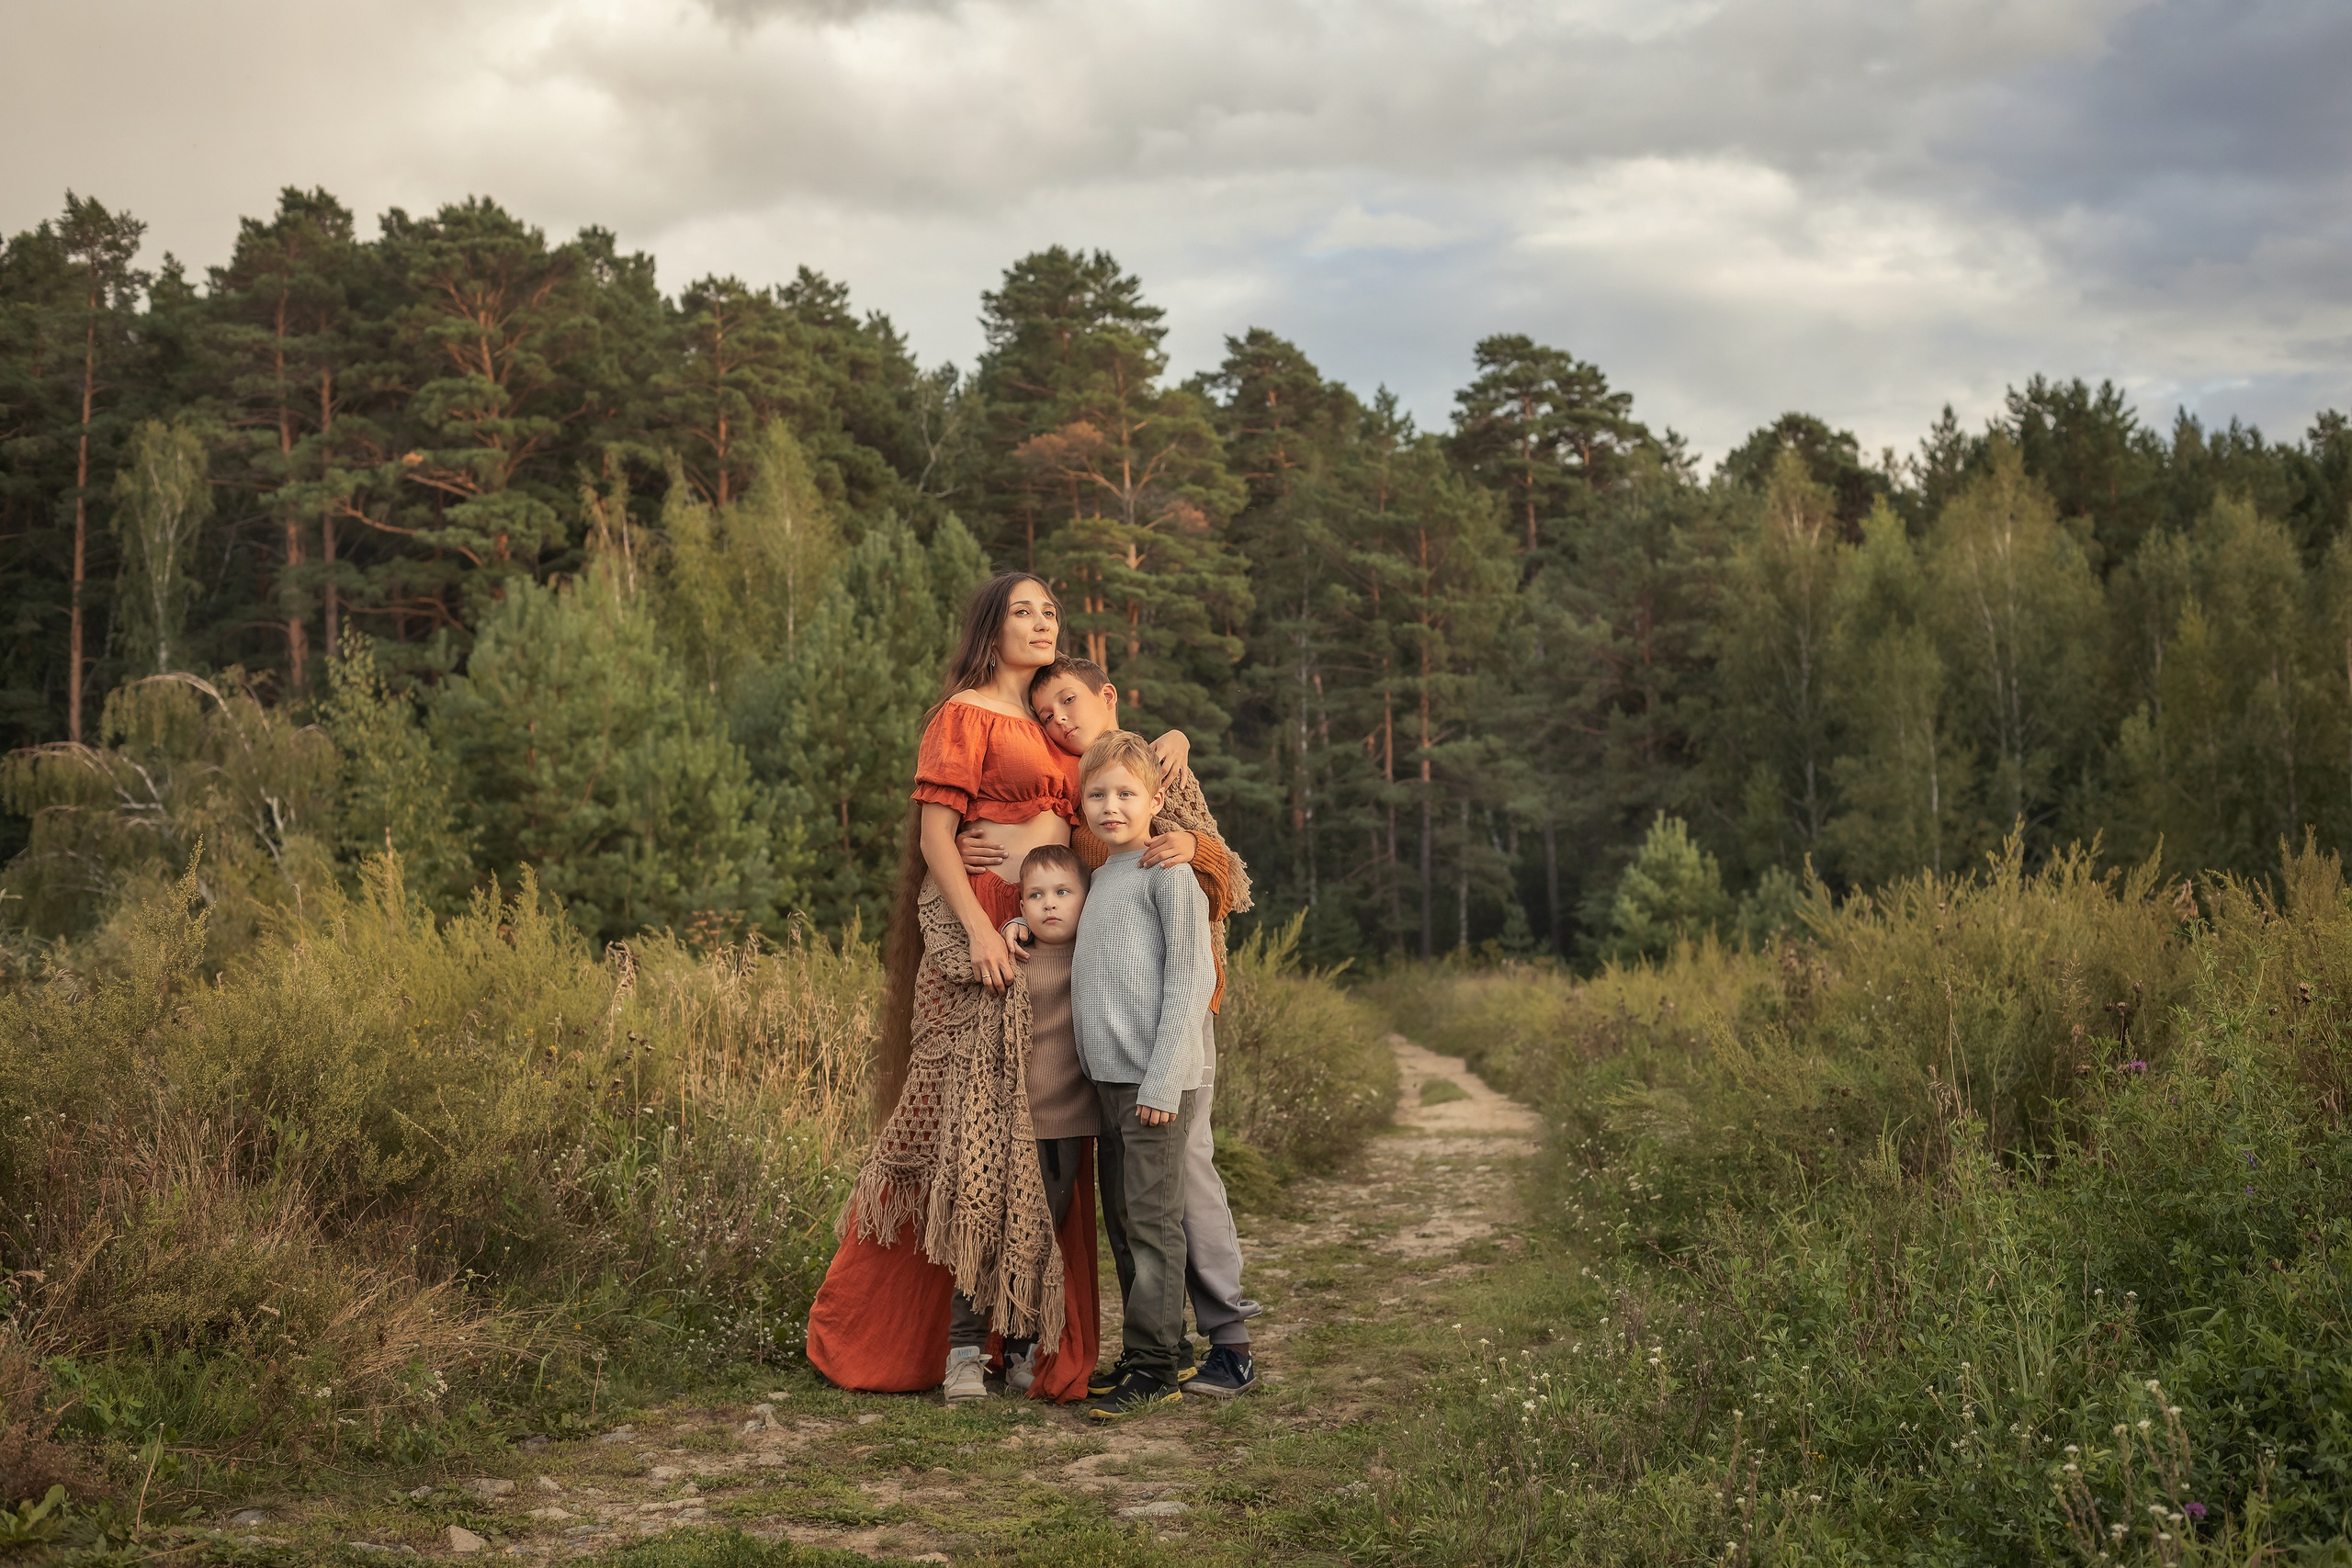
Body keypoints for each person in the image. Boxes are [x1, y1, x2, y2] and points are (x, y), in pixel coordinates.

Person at [804, 571, 1191, 1404]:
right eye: (1023, 611)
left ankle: (1025, 1339)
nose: (1042, 621)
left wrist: (1177, 737)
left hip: (1056, 944)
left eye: (1050, 610)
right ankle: (926, 1339)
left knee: (1044, 1143)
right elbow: (935, 835)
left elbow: (1119, 772)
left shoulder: (1056, 723)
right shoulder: (964, 711)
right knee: (964, 1138)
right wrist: (980, 929)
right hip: (986, 939)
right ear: (991, 625)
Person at [1021, 657, 1260, 1396]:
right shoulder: (1093, 848)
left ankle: (1219, 1340)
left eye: (1068, 700)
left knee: (1179, 1190)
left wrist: (1195, 846)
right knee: (1132, 1215)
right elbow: (1059, 896)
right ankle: (1159, 1348)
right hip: (1113, 1065)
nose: (1060, 717)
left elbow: (1219, 901)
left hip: (1166, 1048)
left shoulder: (1165, 804)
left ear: (1107, 694)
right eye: (1046, 712)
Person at [1069, 731, 1217, 1421]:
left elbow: (1191, 978)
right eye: (1097, 794)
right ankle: (1162, 1348)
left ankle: (1155, 1368)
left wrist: (1160, 1080)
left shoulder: (1168, 873)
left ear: (1157, 801)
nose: (1111, 806)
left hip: (1153, 1083)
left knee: (1153, 1225)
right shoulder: (1104, 876)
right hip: (1110, 1082)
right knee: (1126, 1221)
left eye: (1127, 793)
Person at [945, 843, 1096, 1403]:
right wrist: (1010, 927)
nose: (1049, 904)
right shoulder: (1014, 956)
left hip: (1067, 1124)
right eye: (1035, 896)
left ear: (1086, 898)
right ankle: (964, 1353)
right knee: (984, 1231)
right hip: (1003, 1124)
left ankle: (1019, 1351)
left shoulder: (1095, 951)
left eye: (1063, 892)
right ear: (1021, 905)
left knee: (1035, 1242)